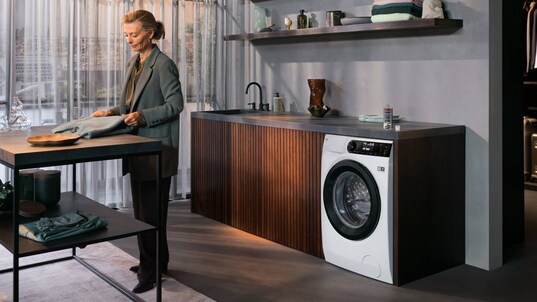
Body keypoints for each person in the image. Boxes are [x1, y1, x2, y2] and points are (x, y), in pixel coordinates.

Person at [92, 9, 183, 294]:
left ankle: (149, 272)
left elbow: (175, 104)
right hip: (137, 148)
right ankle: (158, 262)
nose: (129, 39)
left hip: (157, 149)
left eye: (134, 34)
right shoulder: (134, 62)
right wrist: (111, 111)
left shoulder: (163, 64)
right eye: (126, 35)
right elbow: (131, 105)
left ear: (150, 33)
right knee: (144, 213)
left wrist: (143, 117)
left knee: (153, 214)